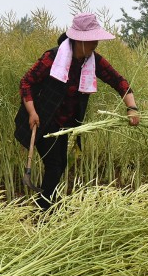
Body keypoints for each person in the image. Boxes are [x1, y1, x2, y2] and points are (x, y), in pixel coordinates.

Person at [14, 13, 139, 210]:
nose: (95, 44)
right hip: (42, 119)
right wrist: (31, 111)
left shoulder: (92, 60)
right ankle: (43, 209)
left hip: (64, 124)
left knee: (60, 164)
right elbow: (26, 82)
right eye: (92, 40)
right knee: (55, 165)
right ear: (79, 39)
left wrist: (131, 108)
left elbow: (119, 81)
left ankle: (45, 205)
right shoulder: (53, 58)